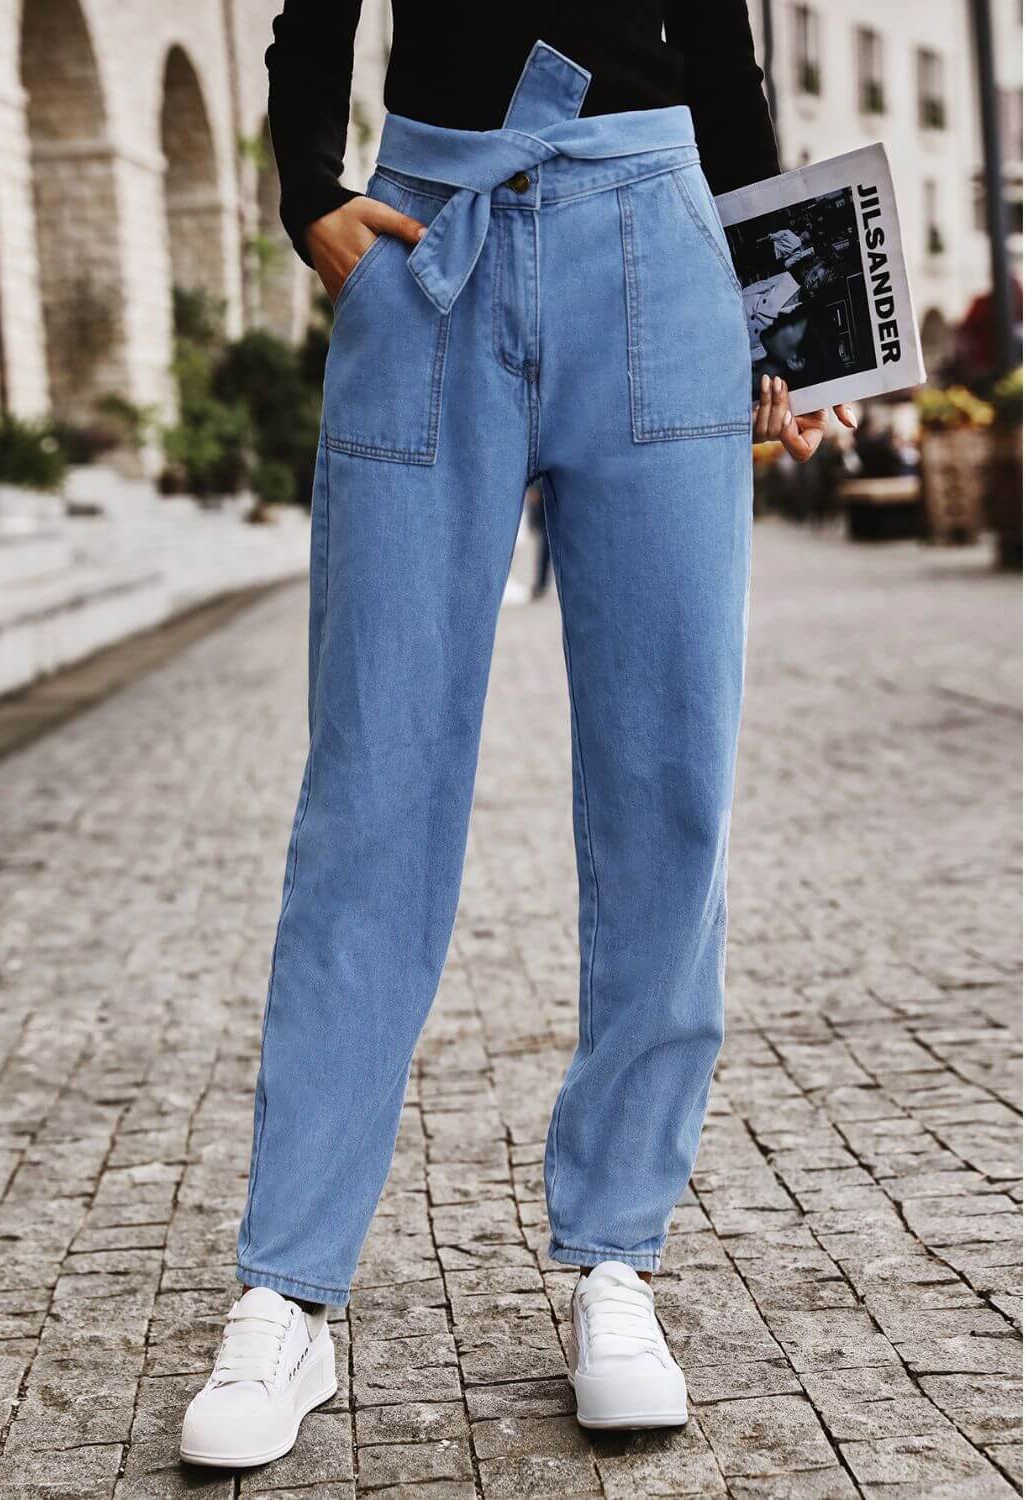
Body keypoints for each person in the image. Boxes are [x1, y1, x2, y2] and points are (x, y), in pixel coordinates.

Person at [180, 4, 855, 1470]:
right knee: (372, 781)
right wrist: (309, 193)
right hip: (429, 249)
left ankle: (618, 1262)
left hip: (659, 256)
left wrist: (784, 334)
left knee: (669, 780)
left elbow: (724, 59)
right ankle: (285, 1289)